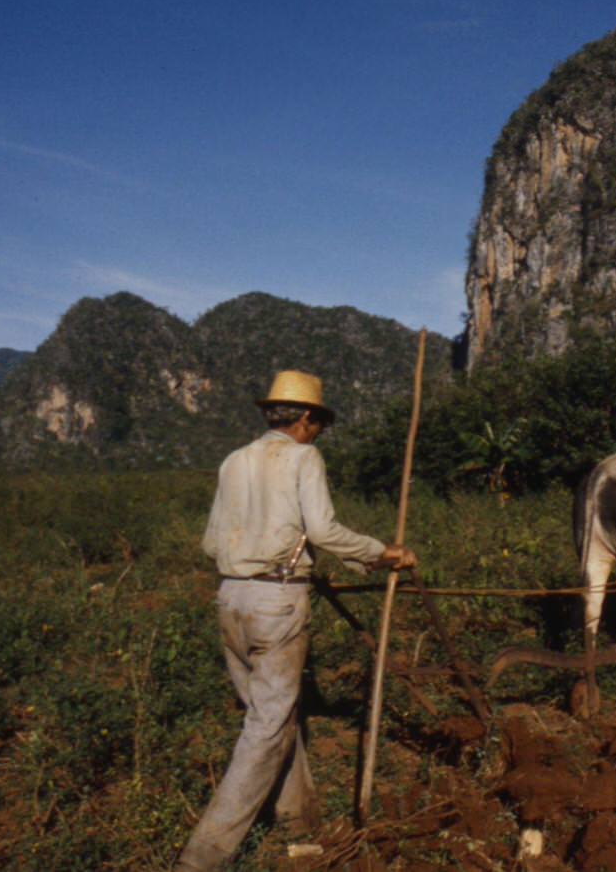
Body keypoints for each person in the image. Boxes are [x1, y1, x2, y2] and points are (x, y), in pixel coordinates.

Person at [174, 370, 416, 871]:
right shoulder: (304, 458)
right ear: (305, 419)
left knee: (272, 714)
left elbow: (211, 542)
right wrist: (380, 553)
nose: (319, 431)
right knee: (266, 727)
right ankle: (204, 855)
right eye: (318, 422)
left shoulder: (234, 460)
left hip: (230, 596)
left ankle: (298, 821)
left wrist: (264, 555)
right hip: (278, 602)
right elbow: (322, 528)